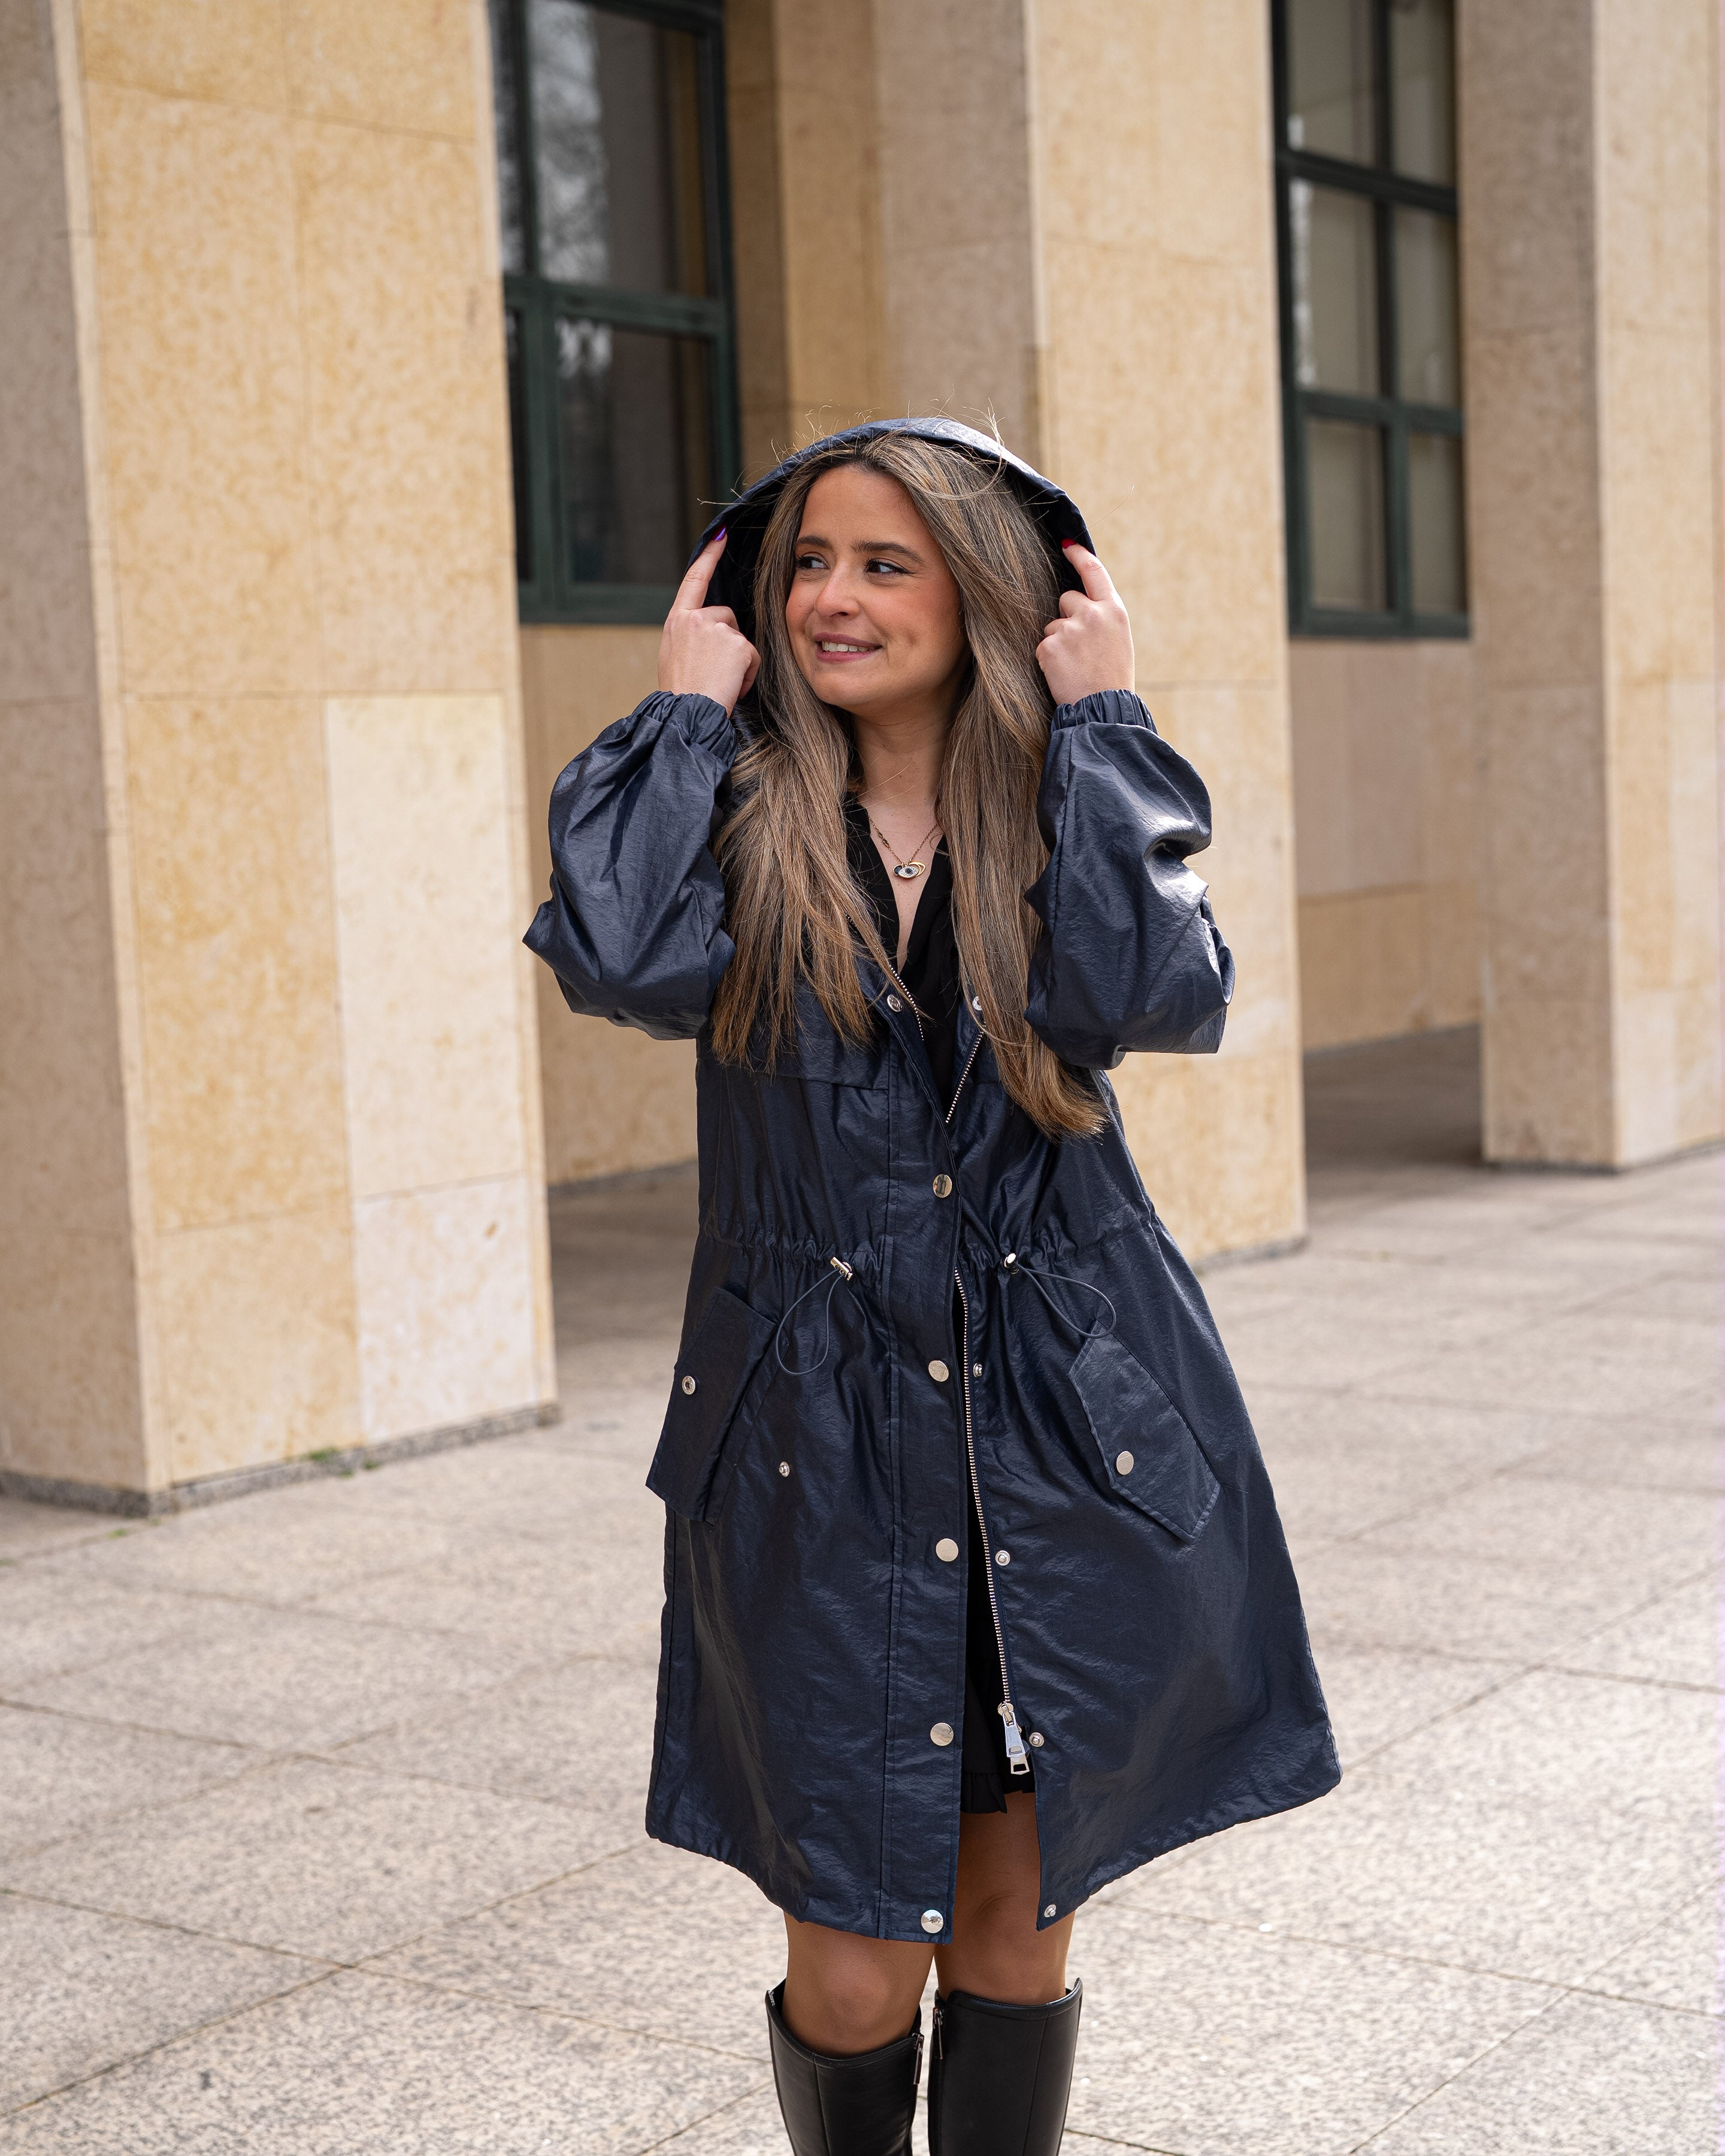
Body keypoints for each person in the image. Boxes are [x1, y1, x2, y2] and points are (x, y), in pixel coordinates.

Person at [525, 418, 1338, 2156]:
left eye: (885, 564)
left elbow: (1156, 995)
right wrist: (684, 708)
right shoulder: (731, 807)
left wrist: (1104, 720)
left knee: (1009, 1933)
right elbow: (619, 957)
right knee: (850, 1969)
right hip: (818, 1445)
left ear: (986, 594)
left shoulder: (1064, 799)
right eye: (808, 562)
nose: (831, 598)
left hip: (1056, 1432)